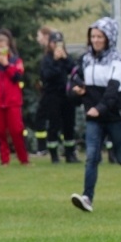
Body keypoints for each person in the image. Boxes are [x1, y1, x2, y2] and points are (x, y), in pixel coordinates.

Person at [69, 17, 121, 213]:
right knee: (92, 157)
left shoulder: (117, 60)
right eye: (93, 36)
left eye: (100, 36)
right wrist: (77, 90)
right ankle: (87, 197)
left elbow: (113, 90)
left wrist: (100, 108)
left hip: (115, 115)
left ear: (109, 38)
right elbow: (74, 80)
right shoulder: (85, 59)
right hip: (94, 117)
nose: (95, 40)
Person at [0, 31, 29, 166]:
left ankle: (23, 158)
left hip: (13, 102)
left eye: (3, 47)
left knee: (17, 130)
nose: (0, 50)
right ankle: (4, 160)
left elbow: (17, 76)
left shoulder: (15, 60)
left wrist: (6, 64)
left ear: (8, 46)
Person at [39, 31, 79, 164]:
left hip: (66, 96)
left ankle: (70, 153)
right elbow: (47, 75)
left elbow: (74, 70)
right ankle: (54, 154)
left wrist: (65, 58)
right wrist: (56, 61)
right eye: (54, 43)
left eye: (59, 43)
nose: (56, 45)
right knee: (54, 125)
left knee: (69, 124)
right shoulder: (47, 59)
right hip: (52, 95)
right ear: (50, 44)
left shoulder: (66, 57)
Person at [32, 26, 53, 157]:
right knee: (41, 118)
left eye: (39, 35)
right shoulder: (46, 52)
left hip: (50, 92)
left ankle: (43, 148)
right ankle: (43, 147)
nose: (37, 39)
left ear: (46, 36)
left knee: (43, 118)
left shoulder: (51, 53)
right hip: (46, 90)